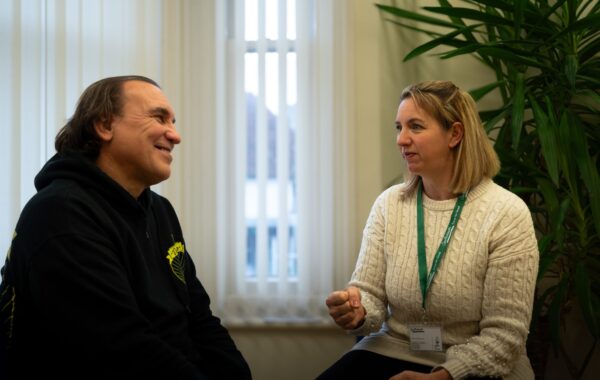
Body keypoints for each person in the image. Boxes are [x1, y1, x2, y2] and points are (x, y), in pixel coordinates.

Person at [0, 75, 252, 380]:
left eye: (173, 121)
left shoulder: (160, 211)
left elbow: (197, 315)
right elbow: (123, 351)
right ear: (105, 126)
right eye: (160, 117)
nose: (175, 135)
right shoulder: (60, 214)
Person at [317, 81, 539, 380]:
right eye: (399, 127)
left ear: (455, 134)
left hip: (476, 363)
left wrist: (442, 376)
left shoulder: (507, 213)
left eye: (416, 127)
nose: (401, 139)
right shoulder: (389, 204)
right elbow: (369, 296)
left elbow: (505, 337)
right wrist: (357, 311)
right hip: (395, 348)